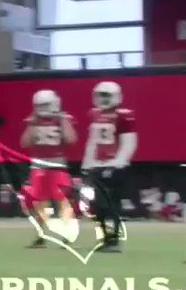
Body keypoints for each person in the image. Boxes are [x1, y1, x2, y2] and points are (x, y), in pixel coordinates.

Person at [81, 81, 136, 251]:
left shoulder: (124, 115)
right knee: (97, 206)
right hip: (96, 165)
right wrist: (87, 163)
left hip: (114, 165)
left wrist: (119, 161)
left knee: (112, 204)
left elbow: (129, 141)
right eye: (101, 95)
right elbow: (92, 142)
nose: (103, 99)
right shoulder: (93, 114)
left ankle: (114, 239)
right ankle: (106, 237)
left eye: (107, 95)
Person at [20, 90, 78, 247]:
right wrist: (32, 123)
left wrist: (62, 119)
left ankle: (68, 234)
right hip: (39, 165)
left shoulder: (63, 119)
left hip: (57, 164)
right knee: (39, 202)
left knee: (62, 201)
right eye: (39, 105)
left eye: (45, 104)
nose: (42, 108)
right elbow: (24, 143)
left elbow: (71, 139)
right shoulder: (33, 121)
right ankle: (41, 235)